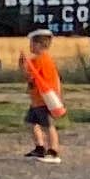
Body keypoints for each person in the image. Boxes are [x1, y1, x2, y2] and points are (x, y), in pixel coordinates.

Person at [22, 29, 67, 161]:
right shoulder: (44, 59)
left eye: (32, 43)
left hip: (43, 100)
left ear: (39, 45)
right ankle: (39, 147)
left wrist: (23, 67)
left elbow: (31, 77)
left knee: (48, 126)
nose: (30, 46)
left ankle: (53, 151)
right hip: (37, 100)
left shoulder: (39, 60)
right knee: (31, 122)